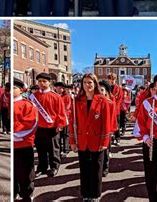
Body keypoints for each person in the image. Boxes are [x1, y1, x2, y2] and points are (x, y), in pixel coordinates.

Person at [69, 73, 112, 202]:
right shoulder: (77, 100)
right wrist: (72, 141)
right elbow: (73, 122)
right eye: (85, 82)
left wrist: (105, 141)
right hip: (82, 140)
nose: (87, 85)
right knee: (84, 169)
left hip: (97, 140)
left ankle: (95, 194)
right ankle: (85, 193)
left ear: (95, 84)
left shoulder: (102, 100)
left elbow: (107, 123)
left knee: (96, 169)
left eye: (90, 82)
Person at [136, 73, 157, 201]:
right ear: (154, 87)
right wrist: (145, 137)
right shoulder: (147, 103)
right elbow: (141, 123)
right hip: (151, 142)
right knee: (151, 173)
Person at [28, 72, 67, 177]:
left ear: (49, 83)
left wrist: (60, 125)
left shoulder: (56, 96)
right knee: (41, 149)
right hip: (39, 127)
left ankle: (54, 166)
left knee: (53, 149)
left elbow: (61, 112)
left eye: (44, 81)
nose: (41, 83)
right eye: (39, 81)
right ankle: (42, 167)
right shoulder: (33, 96)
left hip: (52, 127)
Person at [13, 79, 37, 202]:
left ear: (21, 90)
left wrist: (15, 134)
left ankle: (27, 194)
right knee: (14, 170)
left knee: (26, 172)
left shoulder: (28, 105)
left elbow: (31, 124)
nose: (11, 91)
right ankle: (15, 191)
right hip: (13, 144)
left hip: (24, 143)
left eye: (14, 88)